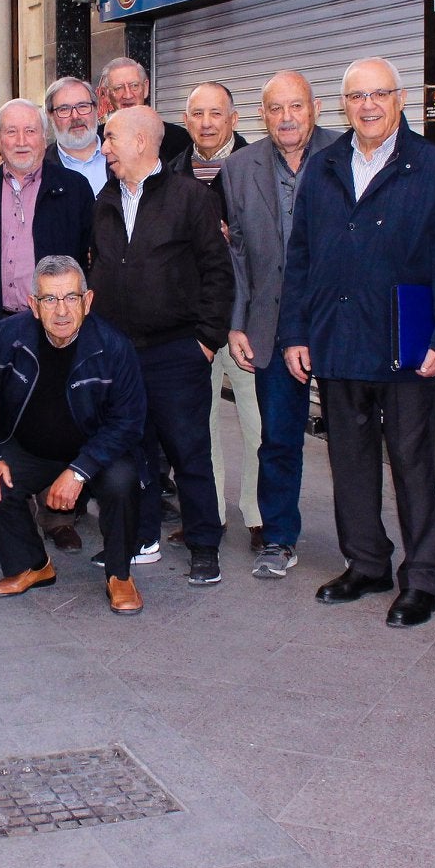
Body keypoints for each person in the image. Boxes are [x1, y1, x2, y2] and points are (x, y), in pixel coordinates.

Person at [279, 57, 435, 629]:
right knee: (350, 461)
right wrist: (294, 332)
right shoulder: (324, 167)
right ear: (345, 106)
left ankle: (421, 578)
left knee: (413, 464)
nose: (368, 106)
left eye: (379, 95)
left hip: (407, 343)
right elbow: (301, 259)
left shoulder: (434, 167)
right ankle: (366, 563)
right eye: (357, 97)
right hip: (338, 340)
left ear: (401, 98)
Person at [90, 106, 235, 584]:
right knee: (134, 450)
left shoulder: (190, 197)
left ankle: (204, 545)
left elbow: (218, 272)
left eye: (110, 138)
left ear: (140, 142)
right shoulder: (105, 198)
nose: (104, 147)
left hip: (177, 351)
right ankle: (142, 538)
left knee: (189, 451)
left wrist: (206, 341)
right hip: (121, 354)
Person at [0, 256, 149, 613]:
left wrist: (79, 470)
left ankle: (120, 575)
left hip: (96, 451)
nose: (61, 310)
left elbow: (129, 421)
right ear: (33, 304)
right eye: (49, 299)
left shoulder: (113, 346)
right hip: (30, 448)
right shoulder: (7, 336)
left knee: (123, 481)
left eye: (71, 298)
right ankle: (33, 565)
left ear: (87, 301)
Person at [224, 72, 339, 579]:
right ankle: (278, 538)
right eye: (275, 108)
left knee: (354, 445)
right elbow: (238, 254)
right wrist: (237, 322)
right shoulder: (238, 168)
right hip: (269, 323)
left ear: (314, 108)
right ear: (261, 115)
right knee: (279, 438)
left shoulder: (345, 153)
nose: (287, 118)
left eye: (296, 106)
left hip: (340, 319)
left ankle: (363, 545)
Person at [168, 81, 260, 553]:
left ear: (234, 119)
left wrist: (232, 238)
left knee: (257, 422)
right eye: (197, 114)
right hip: (195, 322)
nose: (206, 123)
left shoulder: (256, 166)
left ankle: (261, 515)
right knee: (197, 425)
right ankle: (210, 513)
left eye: (216, 114)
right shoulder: (171, 173)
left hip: (247, 318)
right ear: (186, 121)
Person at [0, 99, 95, 363]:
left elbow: (92, 262)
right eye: (11, 132)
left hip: (59, 330)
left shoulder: (74, 189)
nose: (21, 141)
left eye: (30, 131)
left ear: (44, 137)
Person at [98, 57, 191, 163]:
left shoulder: (178, 139)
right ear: (106, 94)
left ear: (146, 88)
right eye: (118, 88)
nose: (128, 95)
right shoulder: (97, 142)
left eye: (134, 86)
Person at [44, 77, 108, 194]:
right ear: (50, 115)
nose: (75, 116)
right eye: (64, 109)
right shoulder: (41, 168)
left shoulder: (122, 154)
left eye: (82, 106)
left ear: (96, 108)